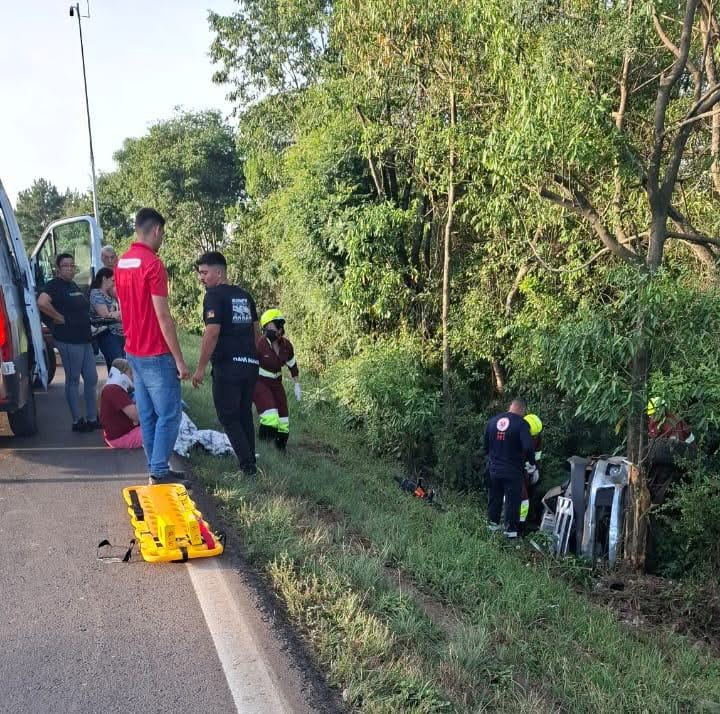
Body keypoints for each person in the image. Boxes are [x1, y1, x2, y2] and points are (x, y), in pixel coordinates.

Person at [114, 208, 190, 485]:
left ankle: (155, 465)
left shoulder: (122, 263)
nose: (162, 239)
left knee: (146, 413)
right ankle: (159, 470)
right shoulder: (153, 265)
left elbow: (124, 308)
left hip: (133, 349)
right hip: (156, 353)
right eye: (163, 234)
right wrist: (180, 361)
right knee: (170, 414)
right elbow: (163, 316)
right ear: (156, 230)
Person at [191, 252, 260, 476]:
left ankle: (247, 466)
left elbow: (212, 333)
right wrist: (252, 357)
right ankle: (250, 460)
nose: (201, 277)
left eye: (205, 272)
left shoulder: (214, 296)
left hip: (228, 367)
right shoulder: (245, 296)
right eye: (200, 273)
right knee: (243, 414)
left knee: (228, 416)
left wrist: (200, 368)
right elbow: (256, 332)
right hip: (249, 365)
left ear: (219, 272)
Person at [37, 253, 99, 432]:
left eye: (72, 265)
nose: (70, 268)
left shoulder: (73, 285)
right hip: (69, 339)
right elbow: (42, 302)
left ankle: (92, 418)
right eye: (66, 266)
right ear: (58, 269)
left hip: (85, 339)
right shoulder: (54, 285)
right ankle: (77, 421)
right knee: (72, 380)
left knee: (91, 378)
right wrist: (58, 317)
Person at [484, 397, 536, 538]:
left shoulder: (492, 421)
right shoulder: (522, 424)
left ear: (510, 407)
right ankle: (510, 533)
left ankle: (492, 528)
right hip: (512, 471)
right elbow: (528, 447)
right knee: (512, 502)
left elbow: (485, 447)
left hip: (494, 469)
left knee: (495, 498)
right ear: (522, 409)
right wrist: (532, 464)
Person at [253, 309, 301, 450]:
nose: (280, 329)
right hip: (259, 382)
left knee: (283, 422)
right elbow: (249, 364)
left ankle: (280, 451)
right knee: (270, 416)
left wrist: (297, 384)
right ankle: (263, 447)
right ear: (267, 327)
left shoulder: (286, 345)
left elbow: (292, 366)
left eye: (281, 325)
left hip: (276, 383)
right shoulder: (259, 344)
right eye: (276, 325)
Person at [100, 358, 142, 449]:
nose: (133, 378)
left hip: (118, 434)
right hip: (121, 437)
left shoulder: (110, 388)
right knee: (163, 430)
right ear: (124, 373)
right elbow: (136, 415)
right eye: (131, 374)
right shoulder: (114, 390)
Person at [89, 267, 125, 370]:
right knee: (118, 364)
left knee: (121, 364)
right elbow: (105, 314)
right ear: (104, 279)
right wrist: (118, 314)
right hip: (107, 333)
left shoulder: (111, 294)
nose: (114, 283)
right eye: (113, 280)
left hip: (119, 333)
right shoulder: (96, 293)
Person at [520, 413, 543, 526]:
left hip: (530, 470)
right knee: (521, 499)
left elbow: (537, 453)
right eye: (532, 436)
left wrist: (536, 468)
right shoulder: (515, 437)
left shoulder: (536, 436)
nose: (534, 438)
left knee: (531, 496)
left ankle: (528, 522)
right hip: (516, 471)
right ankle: (517, 526)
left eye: (535, 436)